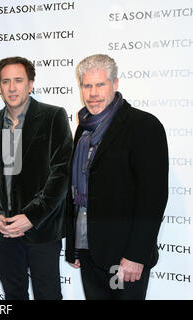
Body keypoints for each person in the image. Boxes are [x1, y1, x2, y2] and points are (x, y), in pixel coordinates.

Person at [65, 54, 169, 300]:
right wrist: (74, 247)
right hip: (89, 250)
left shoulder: (143, 126)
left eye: (100, 84)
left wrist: (136, 255)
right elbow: (78, 191)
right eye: (87, 85)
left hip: (124, 256)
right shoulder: (84, 128)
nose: (93, 93)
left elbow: (152, 198)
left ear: (115, 84)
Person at [0, 56, 73, 300]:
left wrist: (31, 217)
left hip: (41, 229)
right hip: (5, 232)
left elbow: (61, 174)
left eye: (18, 80)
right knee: (13, 295)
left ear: (30, 84)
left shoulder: (53, 117)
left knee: (48, 295)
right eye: (6, 81)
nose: (12, 87)